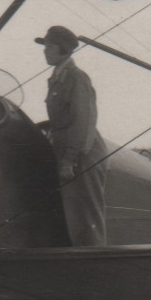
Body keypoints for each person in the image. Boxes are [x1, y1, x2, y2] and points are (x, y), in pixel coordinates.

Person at [36, 25, 107, 245]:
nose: (45, 50)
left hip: (82, 155)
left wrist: (69, 159)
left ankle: (93, 267)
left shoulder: (76, 77)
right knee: (73, 215)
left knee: (85, 217)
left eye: (49, 45)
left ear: (63, 49)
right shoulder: (59, 76)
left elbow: (83, 121)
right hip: (71, 151)